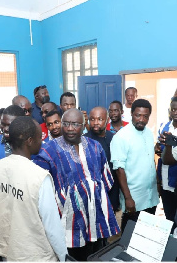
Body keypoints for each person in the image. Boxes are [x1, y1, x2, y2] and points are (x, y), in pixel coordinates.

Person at [33, 108, 119, 261]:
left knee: (97, 255)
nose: (70, 128)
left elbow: (105, 181)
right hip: (69, 222)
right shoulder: (47, 151)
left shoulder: (95, 147)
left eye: (75, 124)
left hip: (95, 216)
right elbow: (39, 189)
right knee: (74, 257)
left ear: (84, 124)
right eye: (66, 123)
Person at [0, 116, 67, 261]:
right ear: (30, 141)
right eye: (39, 138)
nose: (42, 142)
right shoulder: (40, 176)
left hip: (5, 250)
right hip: (35, 254)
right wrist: (64, 257)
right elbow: (52, 227)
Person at [110, 99, 159, 233]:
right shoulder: (121, 137)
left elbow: (150, 161)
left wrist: (157, 185)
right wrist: (128, 198)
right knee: (130, 239)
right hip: (134, 198)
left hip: (150, 196)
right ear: (131, 114)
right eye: (138, 115)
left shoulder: (149, 133)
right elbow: (119, 170)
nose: (141, 120)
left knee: (147, 235)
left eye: (145, 116)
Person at [84, 107, 120, 212]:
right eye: (92, 119)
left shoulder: (114, 138)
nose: (95, 123)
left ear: (107, 120)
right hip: (93, 192)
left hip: (112, 189)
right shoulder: (84, 140)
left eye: (100, 119)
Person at [155, 97, 177, 230]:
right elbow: (158, 146)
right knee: (169, 218)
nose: (175, 112)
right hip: (165, 181)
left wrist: (167, 147)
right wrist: (157, 148)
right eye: (173, 109)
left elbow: (169, 159)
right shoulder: (164, 126)